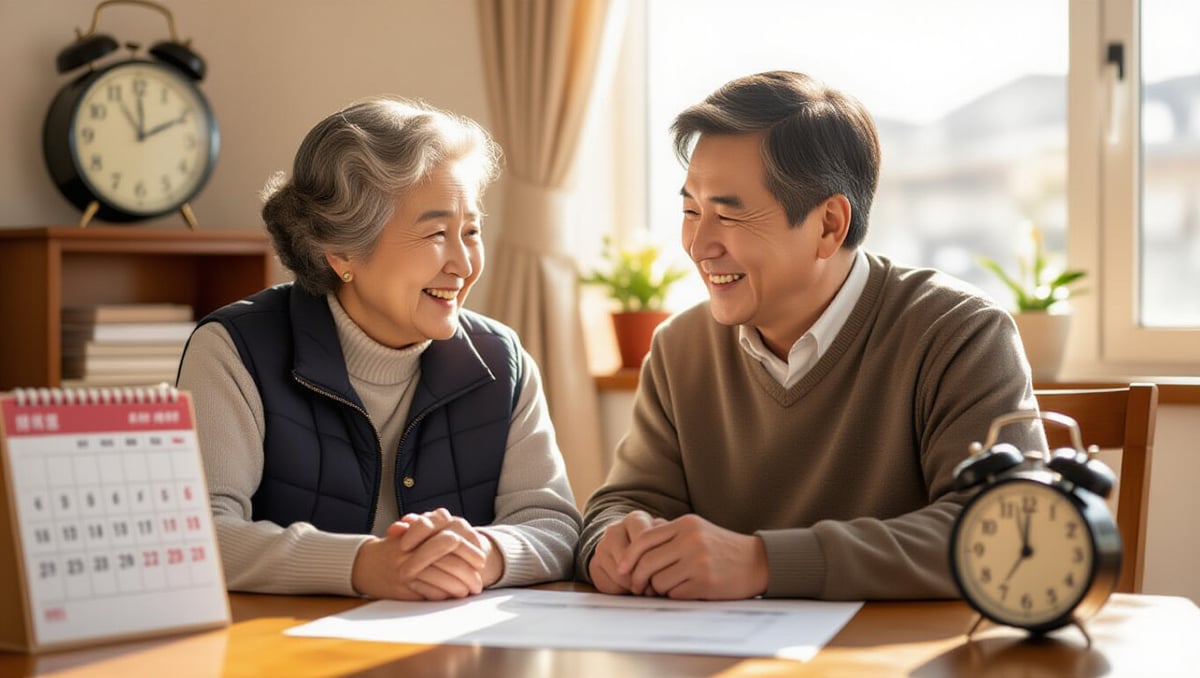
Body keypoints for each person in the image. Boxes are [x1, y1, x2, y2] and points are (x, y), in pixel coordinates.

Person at [577, 71, 1043, 601]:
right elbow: (624, 502)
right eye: (691, 211)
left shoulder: (958, 333)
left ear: (828, 225)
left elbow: (1006, 528)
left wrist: (764, 563)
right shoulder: (679, 348)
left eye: (728, 215)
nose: (699, 245)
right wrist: (609, 544)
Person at [178, 96, 581, 601]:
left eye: (471, 231)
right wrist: (363, 565)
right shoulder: (234, 351)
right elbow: (200, 534)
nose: (463, 264)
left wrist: (483, 554)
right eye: (437, 233)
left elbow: (553, 525)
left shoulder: (503, 360)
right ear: (341, 250)